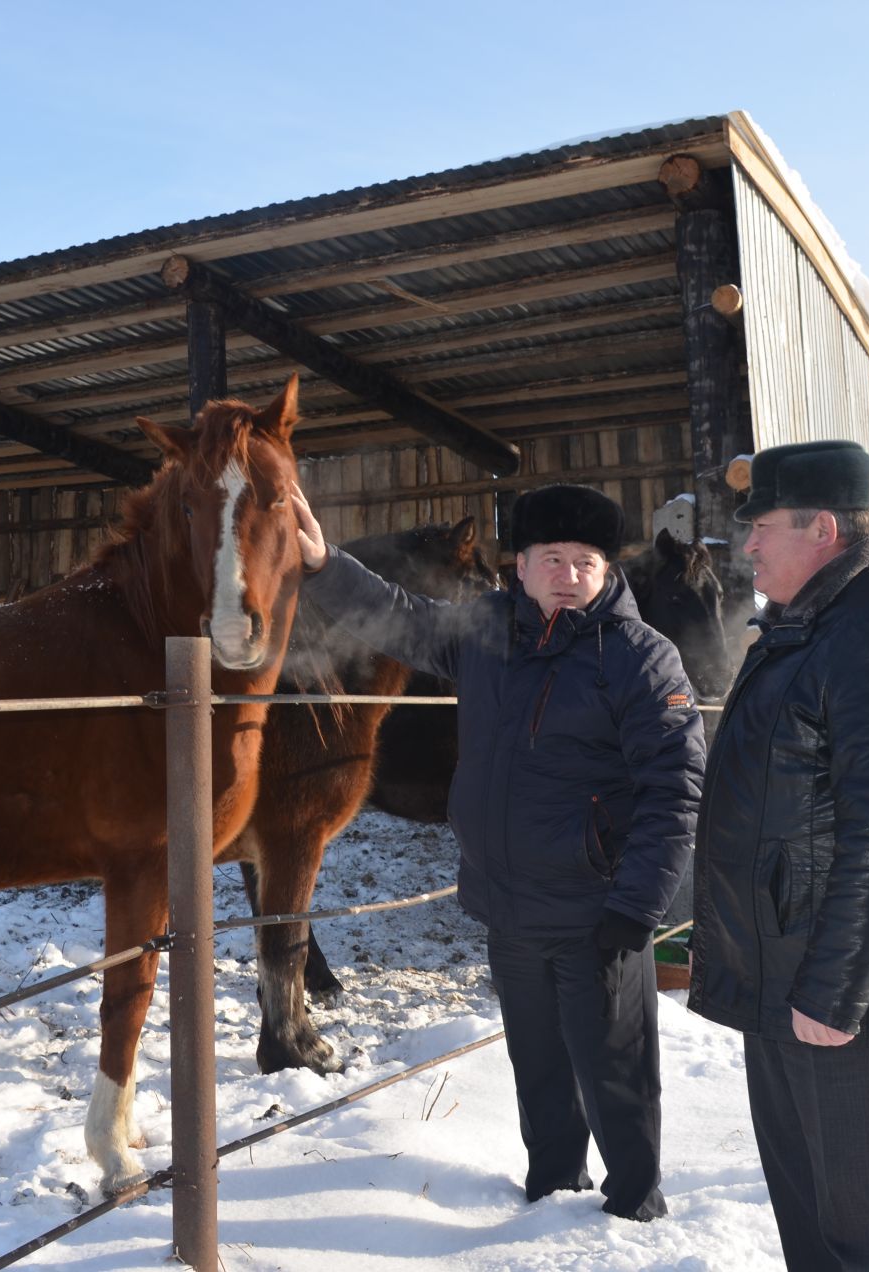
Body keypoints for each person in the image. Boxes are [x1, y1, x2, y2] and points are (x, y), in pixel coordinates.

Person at [290, 480, 704, 1221]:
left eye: (585, 561)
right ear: (519, 565)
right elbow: (401, 619)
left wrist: (638, 906)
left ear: (608, 570)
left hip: (596, 908)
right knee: (539, 1069)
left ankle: (635, 1210)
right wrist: (322, 564)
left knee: (615, 1072)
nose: (568, 574)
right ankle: (549, 1196)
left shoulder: (642, 658)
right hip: (509, 907)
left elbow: (674, 791)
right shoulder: (488, 635)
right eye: (552, 557)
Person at [685, 440, 869, 1271]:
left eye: (762, 526)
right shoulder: (804, 630)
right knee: (807, 1218)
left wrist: (837, 993)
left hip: (841, 1004)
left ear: (825, 529)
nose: (749, 547)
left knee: (864, 1233)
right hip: (783, 986)